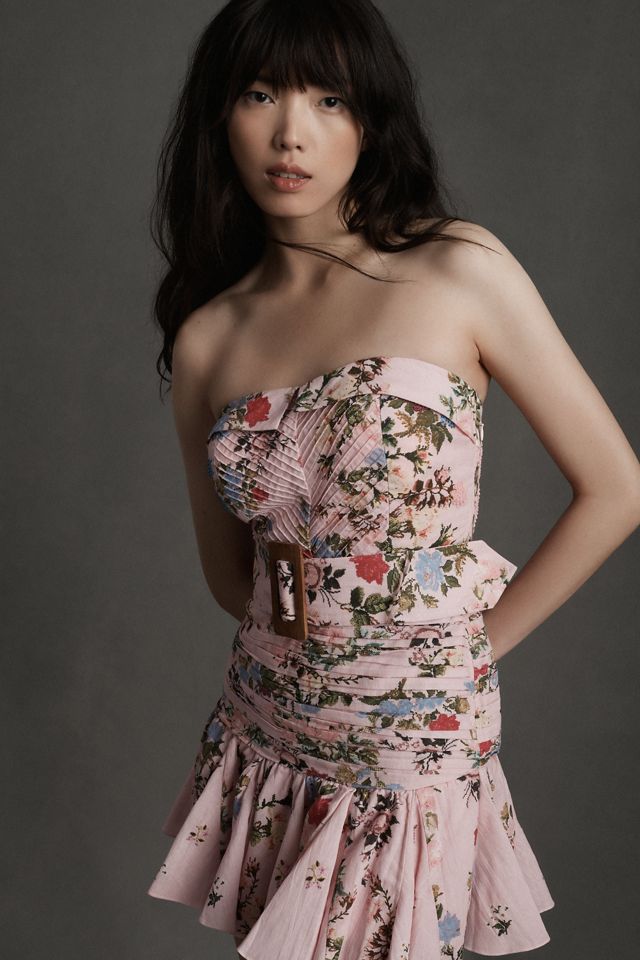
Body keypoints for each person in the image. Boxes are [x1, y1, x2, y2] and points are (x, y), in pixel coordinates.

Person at [146, 1, 640, 957]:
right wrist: (322, 627)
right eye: (261, 94)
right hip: (269, 721)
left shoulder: (459, 268)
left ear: (371, 117)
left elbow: (617, 488)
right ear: (219, 114)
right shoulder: (209, 336)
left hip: (418, 726)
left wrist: (468, 651)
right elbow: (232, 577)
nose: (292, 133)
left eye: (329, 99)